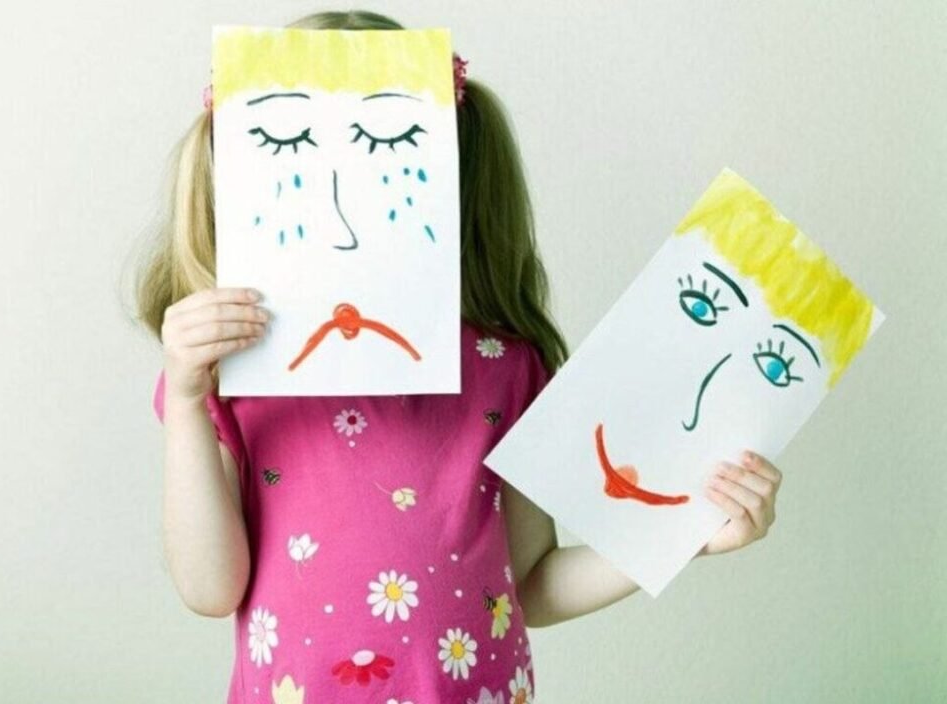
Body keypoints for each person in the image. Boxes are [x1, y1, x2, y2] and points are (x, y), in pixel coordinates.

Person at [133, 10, 781, 703]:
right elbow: (209, 588)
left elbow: (531, 583)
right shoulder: (228, 382)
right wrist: (185, 395)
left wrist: (681, 533)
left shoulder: (508, 367)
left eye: (388, 151)